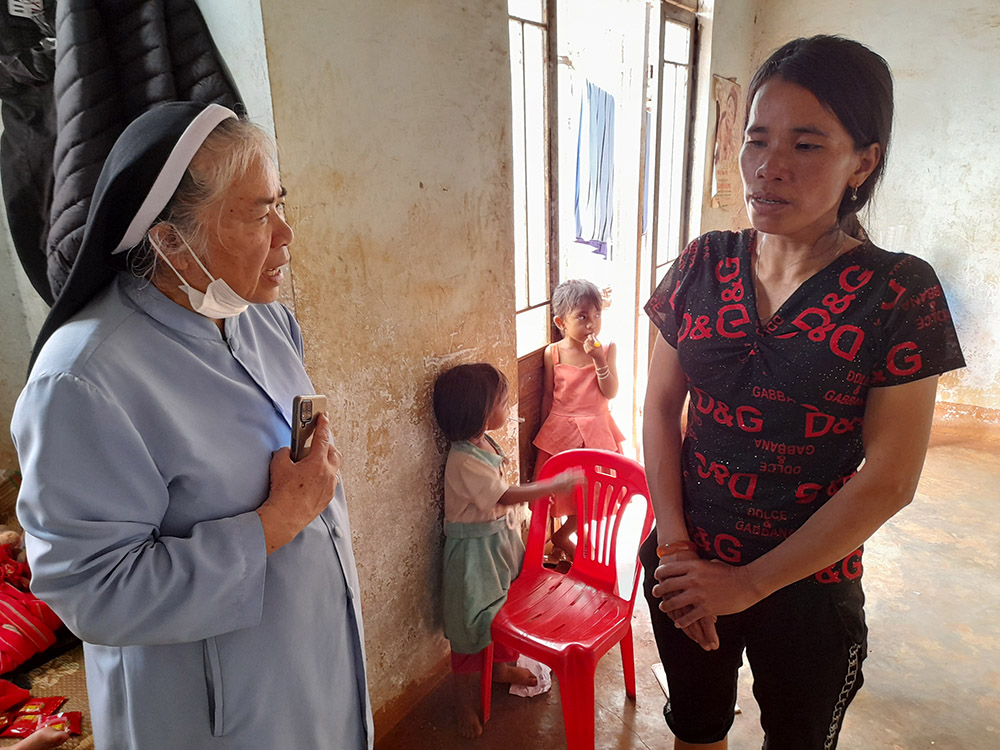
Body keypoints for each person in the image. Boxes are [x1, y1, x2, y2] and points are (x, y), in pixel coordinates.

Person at [11, 102, 373, 749]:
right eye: (260, 214)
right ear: (170, 239)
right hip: (209, 715)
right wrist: (275, 524)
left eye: (278, 203)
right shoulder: (83, 381)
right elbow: (93, 591)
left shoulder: (261, 318)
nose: (286, 234)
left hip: (307, 666)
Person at [640, 35, 965, 750]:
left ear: (864, 161)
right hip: (683, 562)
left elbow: (890, 479)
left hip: (808, 586)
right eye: (757, 140)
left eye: (808, 145)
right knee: (695, 728)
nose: (769, 167)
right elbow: (660, 408)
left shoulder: (897, 292)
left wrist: (747, 584)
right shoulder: (700, 262)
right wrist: (675, 550)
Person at [432, 363, 582, 739]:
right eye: (502, 400)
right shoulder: (462, 459)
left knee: (505, 611)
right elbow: (503, 494)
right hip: (474, 559)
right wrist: (549, 486)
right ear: (481, 414)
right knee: (471, 628)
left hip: (498, 547)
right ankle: (464, 700)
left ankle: (499, 668)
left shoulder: (485, 444)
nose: (508, 404)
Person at [532, 279, 625, 562]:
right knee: (567, 490)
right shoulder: (554, 352)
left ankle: (567, 537)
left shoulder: (607, 348)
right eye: (582, 317)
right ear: (561, 321)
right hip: (561, 431)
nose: (591, 324)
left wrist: (599, 360)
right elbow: (548, 396)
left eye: (596, 315)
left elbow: (610, 392)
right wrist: (542, 431)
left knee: (596, 491)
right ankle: (563, 541)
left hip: (596, 429)